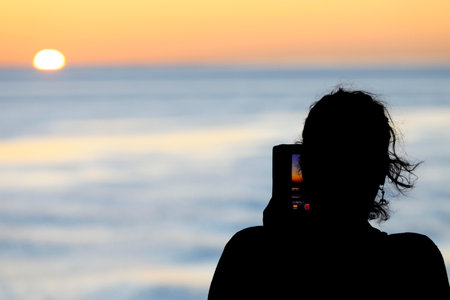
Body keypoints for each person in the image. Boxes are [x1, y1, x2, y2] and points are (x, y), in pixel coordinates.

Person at [208, 88, 450, 299]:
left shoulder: (248, 254)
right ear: (382, 170)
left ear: (306, 169)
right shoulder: (415, 261)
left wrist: (275, 250)